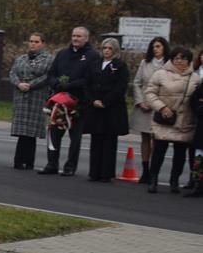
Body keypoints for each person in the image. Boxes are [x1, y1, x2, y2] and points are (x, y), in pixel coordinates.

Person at [39, 26, 95, 176]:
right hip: (59, 101)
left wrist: (71, 85)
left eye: (79, 36)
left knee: (74, 137)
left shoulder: (92, 56)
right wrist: (57, 83)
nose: (75, 38)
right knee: (54, 134)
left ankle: (70, 166)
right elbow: (51, 74)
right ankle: (52, 164)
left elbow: (90, 79)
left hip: (78, 103)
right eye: (74, 35)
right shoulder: (62, 54)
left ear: (86, 38)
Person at [142, 46, 198, 194]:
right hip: (164, 119)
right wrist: (162, 107)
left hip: (185, 121)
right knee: (159, 151)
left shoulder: (195, 78)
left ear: (189, 60)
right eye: (176, 58)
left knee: (180, 154)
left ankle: (174, 180)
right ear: (172, 59)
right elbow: (150, 93)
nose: (179, 61)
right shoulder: (160, 74)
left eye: (183, 58)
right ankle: (153, 179)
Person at [82, 37, 130, 183]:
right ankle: (94, 172)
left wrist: (106, 101)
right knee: (96, 140)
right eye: (104, 48)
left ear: (115, 50)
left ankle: (106, 173)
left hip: (111, 109)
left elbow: (120, 87)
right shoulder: (94, 64)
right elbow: (87, 84)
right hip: (95, 108)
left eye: (110, 48)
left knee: (109, 142)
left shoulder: (120, 66)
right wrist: (93, 100)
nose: (107, 51)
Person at [8, 32, 53, 170]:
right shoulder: (21, 58)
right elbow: (12, 73)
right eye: (31, 41)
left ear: (42, 43)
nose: (33, 44)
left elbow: (48, 76)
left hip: (36, 97)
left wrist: (31, 84)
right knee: (22, 132)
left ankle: (28, 162)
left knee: (31, 133)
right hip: (21, 97)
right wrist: (18, 84)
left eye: (36, 41)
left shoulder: (49, 59)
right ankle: (18, 160)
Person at [130, 36, 170, 184]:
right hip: (145, 106)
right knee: (145, 138)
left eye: (158, 46)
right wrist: (140, 101)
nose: (155, 49)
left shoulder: (169, 64)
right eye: (153, 47)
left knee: (157, 139)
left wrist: (161, 104)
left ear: (164, 48)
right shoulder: (145, 63)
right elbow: (137, 83)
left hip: (160, 106)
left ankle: (154, 170)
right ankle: (145, 170)